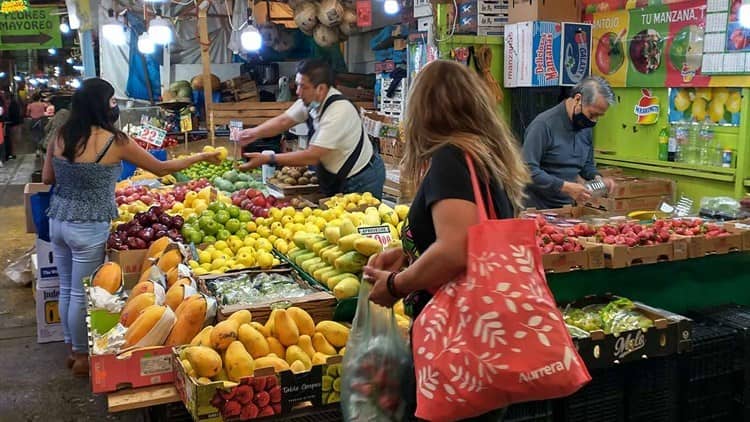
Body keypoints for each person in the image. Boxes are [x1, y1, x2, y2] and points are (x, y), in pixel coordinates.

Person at [363, 60, 530, 421]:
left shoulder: (452, 160)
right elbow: (470, 241)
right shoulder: (486, 158)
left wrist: (396, 285)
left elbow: (456, 249)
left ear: (424, 111)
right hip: (485, 341)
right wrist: (410, 255)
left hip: (456, 345)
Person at [41, 78, 220, 377]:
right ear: (101, 105)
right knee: (83, 294)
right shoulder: (115, 140)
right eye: (112, 100)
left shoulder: (60, 135)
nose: (115, 106)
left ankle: (72, 348)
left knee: (67, 287)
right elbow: (161, 169)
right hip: (88, 225)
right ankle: (83, 357)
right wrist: (202, 155)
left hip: (58, 219)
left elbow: (47, 178)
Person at [237, 59, 386, 199]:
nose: (297, 92)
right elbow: (283, 121)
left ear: (321, 88)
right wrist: (253, 133)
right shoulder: (311, 100)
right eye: (297, 85)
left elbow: (313, 155)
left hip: (361, 178)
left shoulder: (338, 111)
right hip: (338, 176)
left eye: (303, 86)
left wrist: (269, 159)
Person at [522, 76, 617, 209]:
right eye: (592, 114)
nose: (594, 121)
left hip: (567, 209)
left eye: (598, 117)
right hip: (537, 210)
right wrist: (565, 187)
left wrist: (597, 179)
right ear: (578, 99)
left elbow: (586, 165)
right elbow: (528, 170)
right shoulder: (543, 125)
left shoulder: (585, 127)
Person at [4, 91, 21, 161]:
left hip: (12, 124)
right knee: (14, 139)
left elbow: (11, 114)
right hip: (15, 123)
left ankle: (12, 153)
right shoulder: (15, 104)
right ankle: (12, 153)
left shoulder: (12, 104)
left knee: (12, 139)